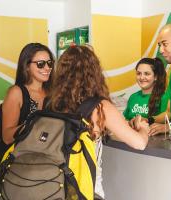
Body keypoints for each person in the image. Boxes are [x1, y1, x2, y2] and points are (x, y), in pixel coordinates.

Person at [48, 45, 149, 199]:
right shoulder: (100, 107)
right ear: (94, 72)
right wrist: (143, 129)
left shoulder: (52, 103)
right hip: (85, 189)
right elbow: (139, 143)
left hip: (53, 186)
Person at [2, 43, 54, 144]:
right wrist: (34, 124)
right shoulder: (16, 93)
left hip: (51, 155)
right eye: (40, 64)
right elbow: (7, 137)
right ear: (26, 66)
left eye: (50, 63)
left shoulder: (54, 92)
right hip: (24, 156)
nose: (47, 68)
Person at [123, 57, 169, 126]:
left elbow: (167, 118)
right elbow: (126, 120)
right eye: (138, 73)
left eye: (147, 74)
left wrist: (147, 120)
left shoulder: (164, 97)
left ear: (156, 76)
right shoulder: (133, 97)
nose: (141, 77)